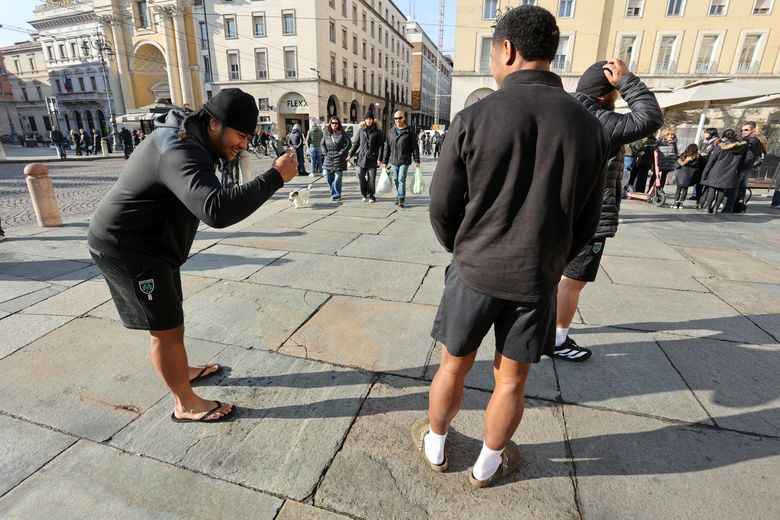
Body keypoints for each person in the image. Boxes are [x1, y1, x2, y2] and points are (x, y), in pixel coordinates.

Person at [419, 5, 608, 488]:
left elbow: (441, 205)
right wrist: (552, 260)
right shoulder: (588, 125)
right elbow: (588, 220)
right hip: (536, 276)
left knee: (452, 364)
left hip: (475, 268)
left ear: (507, 49)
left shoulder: (475, 115)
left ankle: (437, 443)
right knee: (511, 381)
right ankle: (487, 463)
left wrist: (461, 249)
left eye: (492, 53)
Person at [87, 88, 298, 423]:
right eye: (241, 135)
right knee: (165, 330)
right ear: (214, 123)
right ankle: (184, 404)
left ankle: (180, 369)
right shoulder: (178, 148)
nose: (243, 144)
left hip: (155, 245)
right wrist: (274, 177)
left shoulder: (192, 135)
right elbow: (216, 210)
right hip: (128, 248)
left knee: (173, 319)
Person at [553, 59, 663, 362]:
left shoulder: (566, 110)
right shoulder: (598, 118)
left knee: (556, 276)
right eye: (614, 93)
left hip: (559, 214)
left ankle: (542, 328)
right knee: (573, 281)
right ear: (606, 93)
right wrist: (628, 81)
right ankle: (557, 339)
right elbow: (650, 118)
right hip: (589, 218)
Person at [699, 129, 747, 213]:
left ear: (724, 137)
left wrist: (705, 174)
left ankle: (707, 207)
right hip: (730, 172)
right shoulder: (740, 148)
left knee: (712, 189)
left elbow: (711, 161)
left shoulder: (720, 146)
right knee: (721, 190)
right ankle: (716, 208)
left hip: (716, 170)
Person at [724, 121, 766, 213]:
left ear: (753, 129)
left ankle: (729, 207)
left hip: (743, 166)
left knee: (735, 187)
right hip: (747, 167)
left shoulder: (751, 139)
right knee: (741, 187)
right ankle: (738, 206)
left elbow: (749, 155)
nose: (743, 131)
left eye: (746, 130)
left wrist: (740, 162)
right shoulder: (758, 139)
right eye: (742, 130)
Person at [381, 111, 420, 208]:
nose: (398, 120)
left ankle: (401, 198)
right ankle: (399, 197)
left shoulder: (409, 131)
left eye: (399, 118)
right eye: (396, 118)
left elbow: (414, 147)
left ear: (404, 118)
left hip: (404, 159)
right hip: (394, 160)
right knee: (395, 179)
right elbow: (387, 148)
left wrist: (417, 160)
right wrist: (385, 161)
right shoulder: (390, 132)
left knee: (401, 178)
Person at [348, 109, 384, 203]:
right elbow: (356, 144)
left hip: (372, 159)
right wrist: (350, 154)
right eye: (367, 119)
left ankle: (371, 195)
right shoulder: (361, 131)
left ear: (373, 120)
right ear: (365, 120)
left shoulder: (377, 132)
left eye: (370, 119)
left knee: (371, 179)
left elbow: (381, 146)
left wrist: (380, 159)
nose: (369, 121)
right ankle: (364, 194)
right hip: (361, 158)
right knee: (360, 176)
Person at [320, 118, 351, 201]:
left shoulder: (342, 133)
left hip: (339, 158)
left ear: (338, 124)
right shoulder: (326, 133)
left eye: (336, 123)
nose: (334, 124)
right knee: (327, 176)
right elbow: (322, 144)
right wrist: (325, 153)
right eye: (333, 123)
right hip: (328, 158)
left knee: (337, 178)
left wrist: (341, 152)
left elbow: (348, 144)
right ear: (330, 124)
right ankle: (333, 192)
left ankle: (336, 194)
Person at [672, 144, 704, 209]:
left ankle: (675, 204)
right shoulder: (699, 157)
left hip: (681, 175)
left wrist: (679, 161)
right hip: (690, 176)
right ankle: (681, 204)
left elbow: (677, 165)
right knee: (685, 189)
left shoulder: (684, 155)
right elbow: (702, 165)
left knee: (678, 190)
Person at [695, 128, 720, 202]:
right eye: (704, 133)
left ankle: (705, 199)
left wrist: (708, 155)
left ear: (712, 134)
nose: (704, 134)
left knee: (707, 183)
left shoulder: (717, 141)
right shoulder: (703, 141)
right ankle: (698, 199)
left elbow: (717, 153)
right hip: (701, 163)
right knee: (699, 183)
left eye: (706, 133)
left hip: (710, 165)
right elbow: (698, 150)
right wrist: (700, 153)